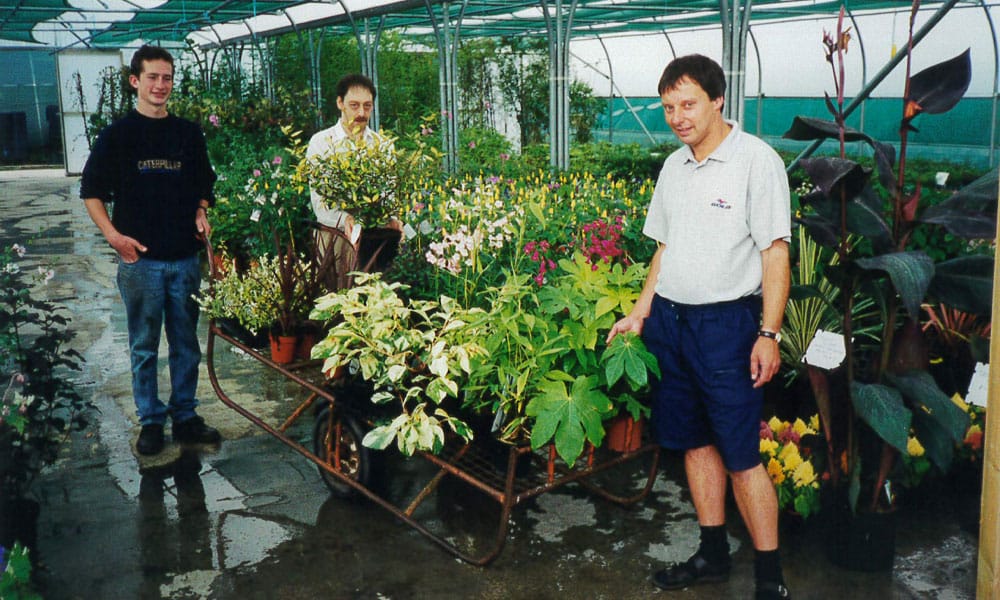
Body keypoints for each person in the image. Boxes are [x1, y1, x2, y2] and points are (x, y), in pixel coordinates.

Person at [607, 54, 792, 600]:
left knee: (741, 455)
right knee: (692, 444)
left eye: (688, 104)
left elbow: (775, 255)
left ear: (717, 100)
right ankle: (713, 553)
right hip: (671, 322)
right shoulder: (674, 167)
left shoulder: (757, 162)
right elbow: (666, 248)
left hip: (728, 328)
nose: (677, 117)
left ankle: (770, 577)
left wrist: (769, 333)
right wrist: (641, 311)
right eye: (668, 107)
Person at [81, 44, 221, 456]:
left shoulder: (187, 133)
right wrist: (113, 236)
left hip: (183, 259)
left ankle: (186, 416)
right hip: (139, 261)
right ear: (135, 81)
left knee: (185, 345)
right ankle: (150, 420)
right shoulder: (118, 136)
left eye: (167, 77)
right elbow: (91, 192)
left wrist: (200, 210)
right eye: (153, 77)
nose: (161, 85)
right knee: (144, 346)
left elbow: (204, 185)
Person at [305, 74, 402, 288]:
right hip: (336, 237)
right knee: (342, 301)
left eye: (367, 106)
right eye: (354, 105)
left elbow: (390, 193)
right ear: (340, 103)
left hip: (376, 239)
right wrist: (345, 219)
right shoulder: (322, 143)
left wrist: (393, 218)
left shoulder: (382, 145)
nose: (361, 113)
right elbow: (320, 203)